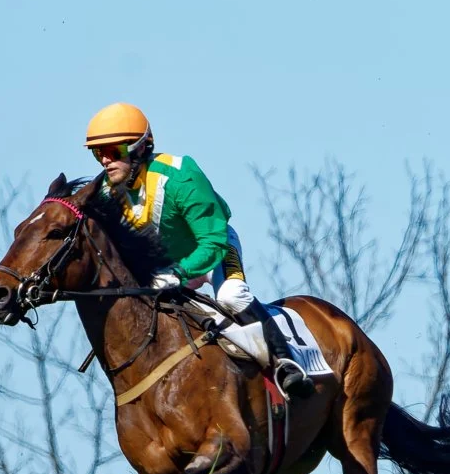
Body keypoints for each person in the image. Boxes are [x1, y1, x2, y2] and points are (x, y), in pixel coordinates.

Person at [83, 102, 313, 399]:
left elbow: (213, 240)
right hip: (168, 268)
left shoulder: (180, 176)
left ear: (140, 148)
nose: (105, 161)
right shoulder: (105, 192)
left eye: (113, 152)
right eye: (97, 153)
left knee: (231, 296)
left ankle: (286, 362)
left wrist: (179, 273)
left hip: (213, 251)